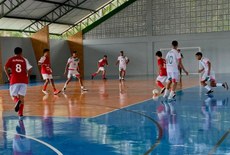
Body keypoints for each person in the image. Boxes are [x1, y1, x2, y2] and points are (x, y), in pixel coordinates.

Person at [4, 47, 32, 120]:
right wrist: (27, 76)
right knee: (22, 98)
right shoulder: (24, 59)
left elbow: (5, 67)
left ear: (14, 52)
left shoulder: (11, 59)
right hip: (24, 81)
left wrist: (8, 76)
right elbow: (30, 69)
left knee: (13, 96)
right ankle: (20, 115)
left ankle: (17, 101)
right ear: (21, 52)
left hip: (15, 80)